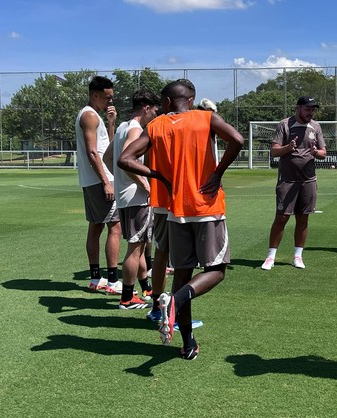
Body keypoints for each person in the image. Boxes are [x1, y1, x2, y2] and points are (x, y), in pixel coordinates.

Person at [118, 79, 244, 361]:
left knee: (183, 273)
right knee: (217, 269)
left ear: (165, 103)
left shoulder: (157, 125)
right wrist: (217, 173)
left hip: (175, 210)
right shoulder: (206, 117)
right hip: (206, 206)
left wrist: (158, 176)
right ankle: (175, 302)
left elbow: (125, 159)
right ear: (192, 99)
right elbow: (237, 139)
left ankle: (188, 343)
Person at [103, 88, 161, 310]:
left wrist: (121, 181)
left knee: (139, 244)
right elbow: (126, 160)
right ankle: (127, 298)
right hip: (137, 198)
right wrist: (144, 183)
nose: (154, 116)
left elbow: (109, 158)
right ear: (146, 108)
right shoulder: (136, 129)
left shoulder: (122, 127)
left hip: (125, 197)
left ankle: (144, 287)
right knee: (136, 248)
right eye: (154, 111)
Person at [261, 96, 327, 270]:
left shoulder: (316, 126)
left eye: (313, 109)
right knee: (282, 217)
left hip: (308, 180)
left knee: (303, 218)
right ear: (298, 108)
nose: (310, 112)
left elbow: (323, 153)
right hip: (287, 180)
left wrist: (315, 152)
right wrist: (287, 148)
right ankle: (270, 257)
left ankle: (298, 256)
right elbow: (274, 151)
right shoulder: (284, 125)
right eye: (307, 109)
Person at [75, 75, 122, 293]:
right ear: (95, 95)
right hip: (100, 179)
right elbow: (92, 152)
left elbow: (106, 148)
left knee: (96, 226)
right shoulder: (89, 116)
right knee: (116, 226)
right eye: (107, 97)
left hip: (94, 179)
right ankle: (113, 281)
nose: (110, 102)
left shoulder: (94, 116)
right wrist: (106, 182)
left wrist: (111, 124)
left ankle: (96, 279)